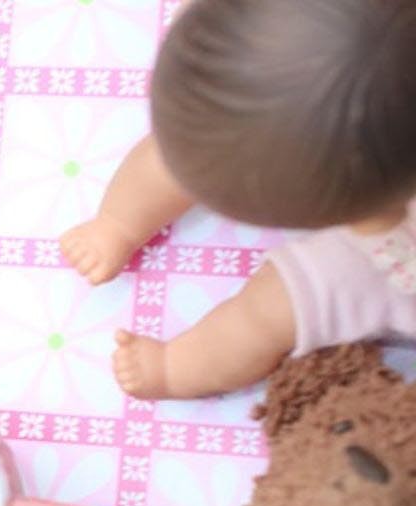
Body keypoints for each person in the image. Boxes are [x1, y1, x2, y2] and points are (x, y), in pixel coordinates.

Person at [57, 0, 416, 400]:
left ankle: (177, 367)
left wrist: (174, 370)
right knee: (211, 134)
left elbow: (258, 322)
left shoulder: (379, 256)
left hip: (399, 250)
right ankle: (121, 222)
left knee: (272, 307)